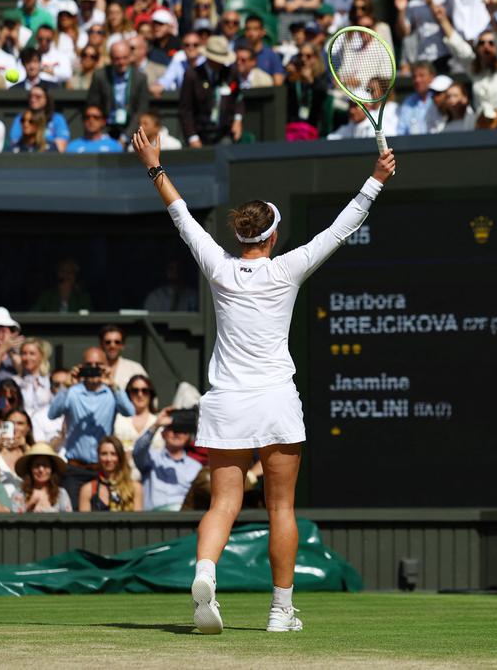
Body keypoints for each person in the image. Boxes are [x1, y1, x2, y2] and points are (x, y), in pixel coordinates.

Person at [131, 124, 396, 633]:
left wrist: (154, 165)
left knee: (223, 502)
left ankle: (205, 574)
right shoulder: (288, 268)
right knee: (281, 507)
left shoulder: (219, 267)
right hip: (275, 401)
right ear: (272, 236)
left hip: (227, 401)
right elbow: (343, 226)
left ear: (242, 235)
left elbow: (180, 214)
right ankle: (281, 611)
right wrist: (377, 179)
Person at [47, 347, 135, 505]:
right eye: (89, 364)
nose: (93, 369)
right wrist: (66, 386)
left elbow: (129, 411)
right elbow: (52, 413)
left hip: (103, 469)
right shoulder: (72, 391)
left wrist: (113, 384)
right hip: (75, 468)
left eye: (98, 365)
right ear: (81, 366)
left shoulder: (111, 392)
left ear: (105, 365)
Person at [179, 36, 243, 147]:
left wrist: (238, 120)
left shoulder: (230, 73)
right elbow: (186, 109)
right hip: (200, 133)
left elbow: (238, 98)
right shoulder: (192, 75)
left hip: (224, 133)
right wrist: (192, 136)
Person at [133, 410, 203, 511]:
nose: (176, 433)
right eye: (171, 428)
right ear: (162, 434)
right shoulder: (151, 457)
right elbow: (137, 451)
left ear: (188, 436)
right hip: (152, 520)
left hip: (184, 519)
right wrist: (156, 425)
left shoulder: (196, 467)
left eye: (182, 429)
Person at [86, 40, 149, 145]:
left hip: (132, 128)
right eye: (117, 59)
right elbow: (93, 104)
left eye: (125, 58)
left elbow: (141, 110)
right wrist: (101, 133)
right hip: (106, 128)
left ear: (130, 57)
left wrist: (126, 137)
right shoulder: (100, 76)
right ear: (111, 58)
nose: (121, 62)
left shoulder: (140, 78)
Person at [78, 435, 143, 511]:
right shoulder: (88, 489)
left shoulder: (135, 488)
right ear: (98, 457)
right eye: (104, 454)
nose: (109, 459)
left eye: (113, 454)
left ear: (120, 457)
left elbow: (138, 520)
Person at [13, 441, 72, 513]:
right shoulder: (19, 494)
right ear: (30, 469)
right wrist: (29, 505)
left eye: (45, 465)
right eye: (37, 465)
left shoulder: (61, 494)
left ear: (52, 469)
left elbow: (69, 520)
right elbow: (13, 520)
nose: (41, 470)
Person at [0, 408, 34, 501]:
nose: (15, 427)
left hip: (27, 504)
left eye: (20, 423)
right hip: (1, 504)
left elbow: (38, 476)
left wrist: (25, 447)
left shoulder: (34, 451)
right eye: (11, 423)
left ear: (28, 428)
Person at [99, 325, 146, 390]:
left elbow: (149, 396)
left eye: (117, 342)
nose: (112, 346)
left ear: (122, 345)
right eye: (108, 342)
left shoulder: (135, 369)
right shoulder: (93, 368)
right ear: (101, 344)